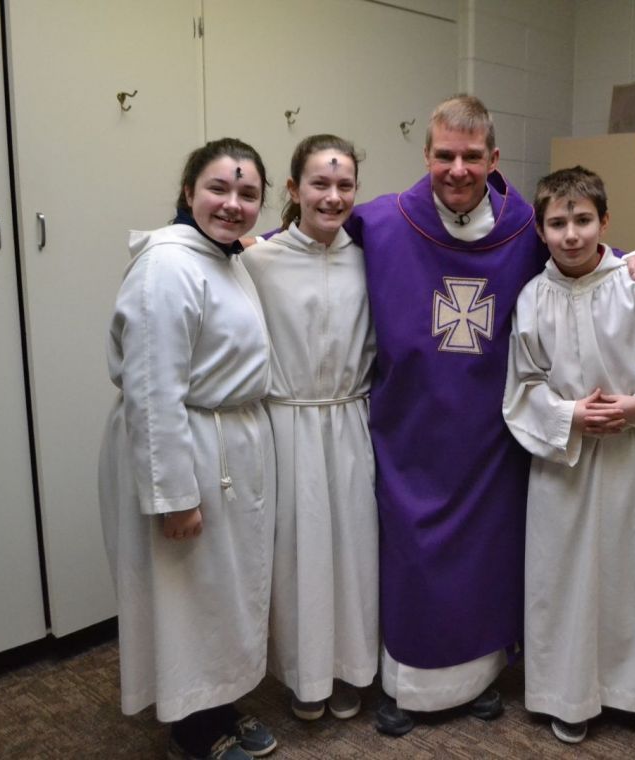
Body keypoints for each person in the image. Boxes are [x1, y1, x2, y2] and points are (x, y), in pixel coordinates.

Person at [347, 95, 635, 736]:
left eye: (472, 156)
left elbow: (580, 256)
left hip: (494, 432)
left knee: (488, 558)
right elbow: (310, 239)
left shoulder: (523, 226)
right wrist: (244, 240)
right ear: (426, 155)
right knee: (414, 556)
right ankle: (407, 685)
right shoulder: (383, 222)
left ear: (494, 158)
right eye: (445, 155)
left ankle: (479, 680)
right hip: (414, 432)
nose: (458, 169)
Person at [502, 166, 635, 754]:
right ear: (540, 230)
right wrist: (569, 417)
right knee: (563, 580)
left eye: (583, 220)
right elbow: (522, 387)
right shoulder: (532, 299)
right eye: (558, 223)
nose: (571, 234)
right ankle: (570, 695)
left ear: (605, 223)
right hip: (564, 464)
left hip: (630, 460)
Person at [98, 137, 279, 760]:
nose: (233, 205)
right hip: (186, 449)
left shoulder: (222, 256)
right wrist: (174, 496)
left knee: (221, 592)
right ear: (187, 192)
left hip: (225, 444)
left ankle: (220, 702)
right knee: (189, 597)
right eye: (219, 190)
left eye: (248, 194)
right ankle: (193, 732)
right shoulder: (167, 268)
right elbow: (152, 392)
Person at [241, 135, 378, 722]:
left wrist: (628, 255)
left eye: (344, 184)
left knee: (353, 551)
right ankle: (304, 677)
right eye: (320, 184)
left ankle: (350, 669)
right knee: (296, 555)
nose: (333, 195)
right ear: (294, 190)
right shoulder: (257, 260)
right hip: (286, 422)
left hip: (349, 419)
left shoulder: (371, 255)